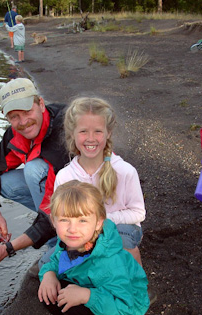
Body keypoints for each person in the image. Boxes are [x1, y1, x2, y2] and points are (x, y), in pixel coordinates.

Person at [38, 180, 150, 315]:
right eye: (65, 220)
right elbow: (56, 261)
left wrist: (86, 296)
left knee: (73, 305)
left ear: (98, 222)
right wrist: (48, 274)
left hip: (125, 306)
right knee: (48, 294)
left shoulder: (109, 263)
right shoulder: (69, 242)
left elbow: (123, 307)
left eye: (82, 220)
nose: (72, 229)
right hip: (92, 289)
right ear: (54, 221)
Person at [0, 78, 69, 271]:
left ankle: (60, 243)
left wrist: (8, 248)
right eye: (14, 116)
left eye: (27, 111)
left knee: (33, 169)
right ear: (6, 117)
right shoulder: (16, 134)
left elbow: (55, 209)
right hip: (57, 199)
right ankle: (53, 235)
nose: (23, 122)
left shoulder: (64, 132)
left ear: (41, 104)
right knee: (4, 183)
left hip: (86, 198)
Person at [54, 96, 146, 266]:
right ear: (72, 133)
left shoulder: (125, 171)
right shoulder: (64, 177)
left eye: (98, 131)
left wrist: (102, 220)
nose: (91, 138)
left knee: (121, 241)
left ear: (108, 132)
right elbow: (60, 217)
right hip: (82, 230)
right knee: (53, 258)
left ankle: (136, 285)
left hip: (121, 228)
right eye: (83, 131)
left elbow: (139, 213)